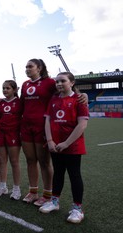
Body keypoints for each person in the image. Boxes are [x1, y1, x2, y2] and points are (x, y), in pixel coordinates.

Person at [39, 72, 89, 224]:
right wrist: (50, 141)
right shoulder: (53, 99)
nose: (59, 84)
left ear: (72, 82)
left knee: (74, 175)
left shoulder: (79, 99)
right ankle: (54, 202)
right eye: (57, 81)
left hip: (72, 146)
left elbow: (82, 124)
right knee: (58, 173)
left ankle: (77, 209)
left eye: (63, 81)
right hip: (55, 145)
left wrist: (66, 143)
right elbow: (47, 121)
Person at [20, 59, 56, 205]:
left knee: (44, 162)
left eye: (30, 66)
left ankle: (47, 194)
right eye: (26, 67)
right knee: (30, 160)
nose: (27, 69)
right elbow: (21, 104)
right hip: (26, 127)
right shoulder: (25, 84)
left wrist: (82, 96)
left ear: (39, 68)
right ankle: (33, 192)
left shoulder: (50, 82)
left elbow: (65, 91)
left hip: (42, 127)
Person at [0, 80, 22, 199]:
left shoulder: (20, 103)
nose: (5, 90)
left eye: (8, 88)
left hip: (14, 135)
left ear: (14, 90)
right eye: (3, 88)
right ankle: (3, 186)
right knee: (2, 160)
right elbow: (0, 118)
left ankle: (16, 189)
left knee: (14, 162)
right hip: (2, 134)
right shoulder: (1, 103)